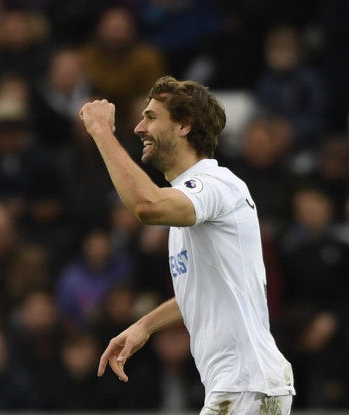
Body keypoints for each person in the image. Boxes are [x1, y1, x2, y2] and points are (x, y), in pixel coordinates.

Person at [79, 75, 295, 414]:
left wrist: (102, 132)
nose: (138, 128)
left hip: (245, 384)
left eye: (150, 117)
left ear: (184, 126)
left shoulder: (214, 184)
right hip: (241, 385)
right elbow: (206, 290)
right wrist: (145, 325)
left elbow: (146, 207)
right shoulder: (191, 202)